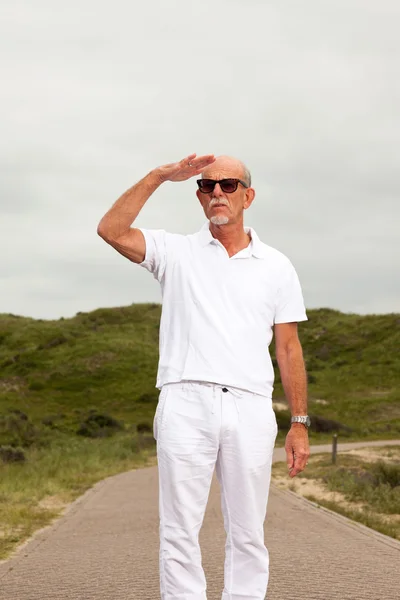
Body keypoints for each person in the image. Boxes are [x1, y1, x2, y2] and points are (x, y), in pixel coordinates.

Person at [97, 153, 310, 600]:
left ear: (247, 195)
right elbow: (111, 230)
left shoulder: (277, 266)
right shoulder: (174, 252)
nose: (216, 192)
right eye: (207, 186)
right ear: (198, 197)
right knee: (178, 531)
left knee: (249, 532)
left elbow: (287, 348)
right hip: (185, 401)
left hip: (250, 406)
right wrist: (159, 176)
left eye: (228, 185)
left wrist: (299, 423)